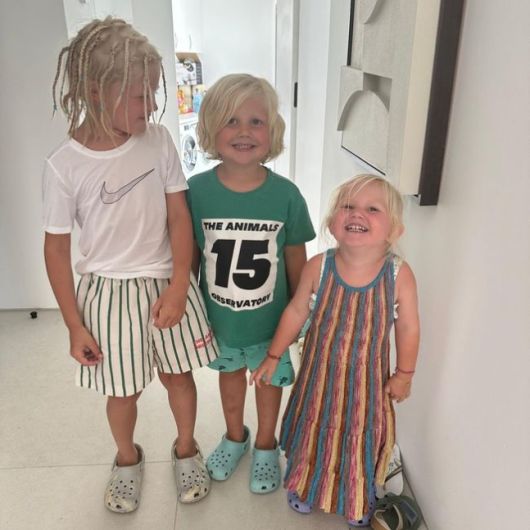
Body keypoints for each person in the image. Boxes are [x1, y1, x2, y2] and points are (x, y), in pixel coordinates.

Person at [42, 17, 218, 513]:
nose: (153, 105)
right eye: (141, 96)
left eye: (154, 92)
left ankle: (186, 448)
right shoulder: (64, 165)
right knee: (122, 392)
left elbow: (179, 216)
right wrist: (74, 324)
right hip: (106, 293)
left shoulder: (158, 141)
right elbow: (56, 250)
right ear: (96, 92)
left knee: (179, 377)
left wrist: (180, 284)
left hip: (166, 281)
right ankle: (126, 458)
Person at [251, 174, 420, 527]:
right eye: (348, 206)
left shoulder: (398, 275)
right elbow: (297, 310)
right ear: (331, 223)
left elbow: (408, 327)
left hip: (366, 387)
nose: (357, 214)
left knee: (357, 440)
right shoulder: (319, 266)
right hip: (318, 380)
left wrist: (404, 374)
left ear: (394, 230)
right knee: (314, 433)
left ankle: (355, 495)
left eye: (372, 209)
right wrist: (273, 355)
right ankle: (307, 485)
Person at [187, 74, 315, 494]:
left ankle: (265, 444)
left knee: (269, 383)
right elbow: (190, 255)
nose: (244, 131)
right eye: (231, 121)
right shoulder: (195, 192)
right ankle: (234, 436)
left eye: (256, 122)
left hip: (270, 324)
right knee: (228, 382)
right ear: (210, 128)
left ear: (272, 130)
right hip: (221, 320)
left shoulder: (287, 195)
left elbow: (295, 259)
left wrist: (303, 311)